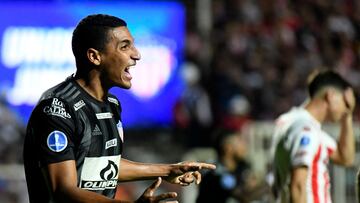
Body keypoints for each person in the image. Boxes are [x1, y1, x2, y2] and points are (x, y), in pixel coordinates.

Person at [23, 14, 216, 203]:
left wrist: (167, 170)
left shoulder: (112, 105)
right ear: (94, 56)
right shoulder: (57, 108)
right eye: (125, 46)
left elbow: (103, 168)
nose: (137, 54)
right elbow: (64, 191)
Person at [271, 70, 356, 203]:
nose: (345, 108)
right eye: (344, 102)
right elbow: (298, 186)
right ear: (330, 96)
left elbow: (346, 158)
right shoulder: (306, 129)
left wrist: (348, 116)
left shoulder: (292, 122)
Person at [197, 129, 269, 203]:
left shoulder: (242, 166)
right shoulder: (216, 173)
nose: (245, 145)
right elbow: (245, 197)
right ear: (228, 147)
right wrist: (269, 183)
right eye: (240, 141)